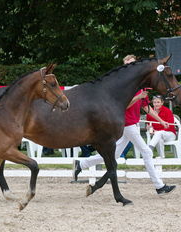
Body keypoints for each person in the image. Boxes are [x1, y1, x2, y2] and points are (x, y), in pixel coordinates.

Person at [73, 55, 176, 195]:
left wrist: (160, 121)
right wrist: (138, 97)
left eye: (132, 64)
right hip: (126, 124)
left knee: (114, 154)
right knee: (146, 152)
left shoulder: (139, 87)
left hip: (133, 125)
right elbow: (122, 106)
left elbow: (147, 108)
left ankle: (82, 164)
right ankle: (159, 186)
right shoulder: (123, 89)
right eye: (127, 64)